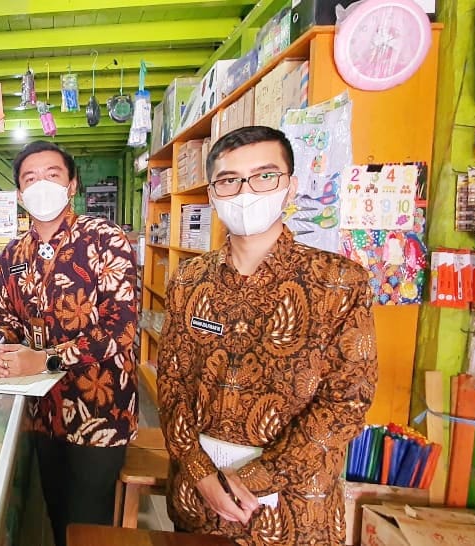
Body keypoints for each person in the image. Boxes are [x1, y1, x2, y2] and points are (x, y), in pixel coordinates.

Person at [158, 126, 377, 544]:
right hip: (200, 502)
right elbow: (171, 383)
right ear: (212, 195)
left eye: (264, 176)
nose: (245, 192)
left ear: (290, 187)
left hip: (294, 508)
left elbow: (347, 400)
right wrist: (200, 472)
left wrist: (257, 478)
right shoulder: (189, 279)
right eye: (229, 180)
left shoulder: (339, 282)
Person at [0, 141, 139, 545]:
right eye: (30, 178)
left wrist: (47, 359)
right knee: (56, 513)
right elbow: (0, 319)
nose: (41, 185)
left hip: (99, 409)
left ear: (72, 185)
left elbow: (120, 328)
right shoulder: (13, 254)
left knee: (88, 523)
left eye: (52, 175)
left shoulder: (105, 239)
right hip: (41, 411)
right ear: (20, 194)